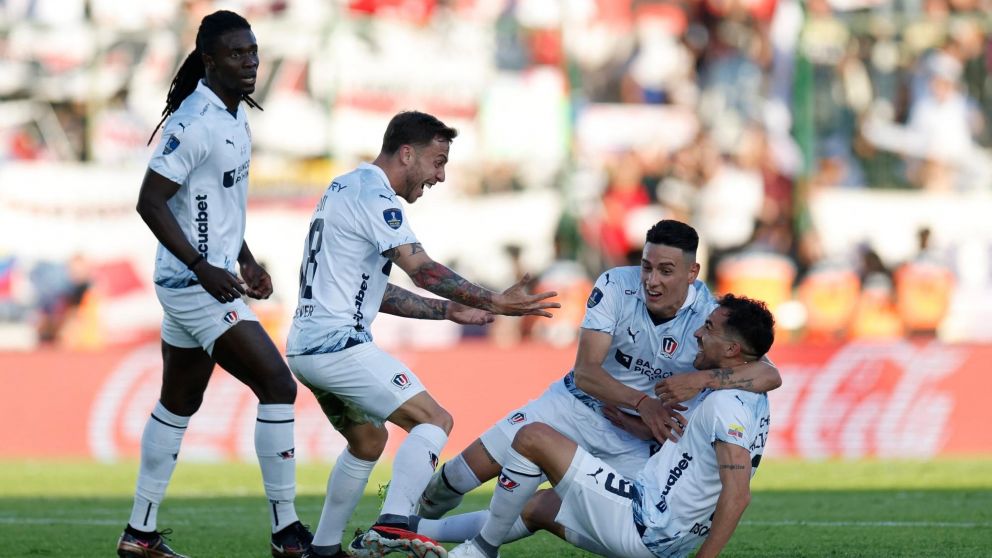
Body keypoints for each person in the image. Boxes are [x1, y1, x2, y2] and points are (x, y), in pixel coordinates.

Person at [285, 110, 559, 558]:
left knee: (368, 441)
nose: (441, 176)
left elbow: (376, 291)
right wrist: (494, 300)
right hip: (338, 345)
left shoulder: (344, 186)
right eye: (437, 161)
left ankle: (324, 549)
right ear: (407, 154)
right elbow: (423, 270)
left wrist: (449, 310)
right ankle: (393, 526)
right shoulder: (376, 196)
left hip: (307, 346)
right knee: (434, 420)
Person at [414, 220, 781, 543]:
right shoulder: (615, 285)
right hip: (574, 406)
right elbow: (587, 371)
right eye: (646, 267)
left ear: (692, 272)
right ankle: (405, 525)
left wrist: (701, 379)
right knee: (457, 478)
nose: (652, 281)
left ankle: (443, 540)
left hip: (636, 440)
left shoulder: (709, 317)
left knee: (546, 510)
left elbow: (769, 373)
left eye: (666, 271)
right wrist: (643, 403)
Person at [117, 11, 312, 558]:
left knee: (178, 403)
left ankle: (140, 534)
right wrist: (204, 266)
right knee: (278, 385)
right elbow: (149, 201)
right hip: (193, 284)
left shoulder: (234, 116)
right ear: (210, 60)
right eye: (236, 54)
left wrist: (244, 258)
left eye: (252, 52)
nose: (249, 62)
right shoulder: (194, 121)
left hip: (202, 281)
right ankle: (287, 533)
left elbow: (218, 203)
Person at [449, 294, 776, 558]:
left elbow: (737, 495)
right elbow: (699, 450)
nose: (697, 334)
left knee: (532, 437)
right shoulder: (749, 392)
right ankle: (411, 528)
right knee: (540, 506)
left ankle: (482, 550)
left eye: (708, 328)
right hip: (664, 535)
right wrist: (645, 428)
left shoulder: (726, 404)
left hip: (645, 525)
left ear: (732, 349)